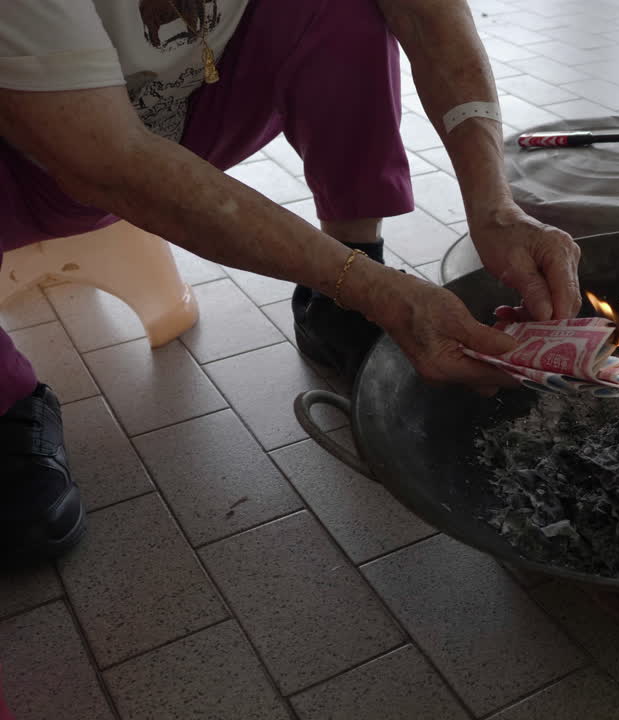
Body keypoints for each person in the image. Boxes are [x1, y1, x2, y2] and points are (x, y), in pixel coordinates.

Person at [0, 0, 583, 567]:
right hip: (36, 149)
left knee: (344, 8)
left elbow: (428, 12)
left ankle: (343, 290)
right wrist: (381, 291)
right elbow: (106, 158)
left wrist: (495, 205)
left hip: (189, 97)